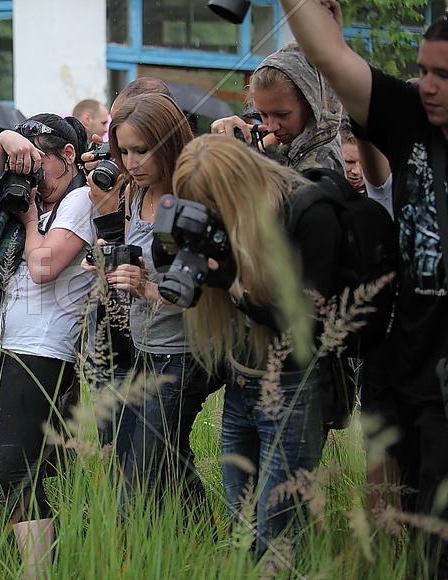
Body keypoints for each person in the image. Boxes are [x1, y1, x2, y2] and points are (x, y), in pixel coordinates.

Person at [279, 1, 448, 575]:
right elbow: (327, 54)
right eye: (423, 71)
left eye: (442, 75)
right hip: (413, 361)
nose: (427, 86)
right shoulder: (410, 119)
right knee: (419, 526)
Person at [170, 134, 340, 558]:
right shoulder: (230, 226)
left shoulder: (305, 212)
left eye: (213, 205)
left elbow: (306, 323)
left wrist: (232, 283)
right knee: (243, 528)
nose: (211, 218)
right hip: (241, 382)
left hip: (294, 387)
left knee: (276, 536)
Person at [0, 113, 95, 578]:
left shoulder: (81, 198)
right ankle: (18, 555)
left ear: (68, 157)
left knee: (16, 467)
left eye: (42, 167)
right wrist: (3, 143)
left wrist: (29, 219)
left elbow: (43, 266)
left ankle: (39, 569)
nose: (34, 179)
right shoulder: (27, 193)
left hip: (40, 347)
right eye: (29, 167)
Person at [85, 92, 213, 509]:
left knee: (138, 476)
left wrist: (146, 288)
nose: (133, 162)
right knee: (168, 461)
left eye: (143, 150)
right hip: (141, 347)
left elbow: (205, 293)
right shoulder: (133, 195)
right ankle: (207, 538)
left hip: (180, 353)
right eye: (124, 151)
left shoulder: (192, 198)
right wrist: (108, 266)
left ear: (170, 143)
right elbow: (136, 261)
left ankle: (126, 553)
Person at [210, 43, 344, 173]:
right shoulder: (289, 143)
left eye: (282, 114)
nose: (271, 127)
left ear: (311, 105)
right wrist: (226, 144)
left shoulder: (319, 169)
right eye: (264, 115)